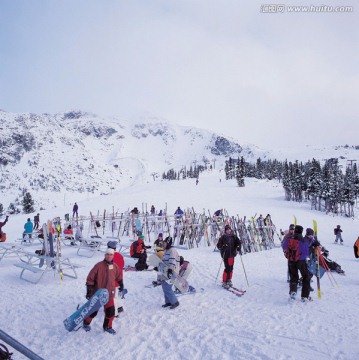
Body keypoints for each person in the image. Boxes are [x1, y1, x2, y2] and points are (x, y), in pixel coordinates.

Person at [83, 248, 122, 335]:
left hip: (110, 294)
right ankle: (86, 322)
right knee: (93, 312)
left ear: (113, 256)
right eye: (107, 254)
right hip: (98, 293)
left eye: (111, 254)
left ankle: (107, 326)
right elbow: (90, 278)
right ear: (105, 255)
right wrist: (89, 291)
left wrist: (121, 284)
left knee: (110, 311)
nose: (109, 256)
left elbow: (119, 276)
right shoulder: (98, 266)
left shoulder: (115, 266)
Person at [282, 225, 312, 302]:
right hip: (301, 261)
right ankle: (305, 296)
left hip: (291, 260)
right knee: (306, 277)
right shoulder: (302, 240)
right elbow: (306, 253)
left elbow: (284, 246)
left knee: (293, 276)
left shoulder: (290, 238)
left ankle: (293, 292)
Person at [216, 224, 241, 289]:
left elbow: (238, 242)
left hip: (232, 254)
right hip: (226, 255)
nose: (228, 231)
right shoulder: (223, 237)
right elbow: (218, 245)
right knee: (227, 268)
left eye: (229, 229)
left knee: (231, 268)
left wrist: (238, 247)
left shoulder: (234, 236)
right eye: (227, 230)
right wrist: (224, 246)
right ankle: (224, 281)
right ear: (225, 231)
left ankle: (229, 279)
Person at [160, 236, 180, 309]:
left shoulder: (172, 250)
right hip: (166, 271)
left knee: (167, 287)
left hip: (172, 272)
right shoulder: (166, 250)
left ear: (168, 243)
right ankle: (168, 302)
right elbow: (164, 261)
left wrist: (170, 270)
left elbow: (172, 262)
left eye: (164, 243)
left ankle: (175, 302)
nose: (163, 244)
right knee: (164, 287)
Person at [107, 241, 125, 315]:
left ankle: (114, 313)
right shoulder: (120, 255)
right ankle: (120, 307)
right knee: (116, 294)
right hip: (119, 279)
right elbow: (122, 265)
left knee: (112, 297)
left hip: (112, 280)